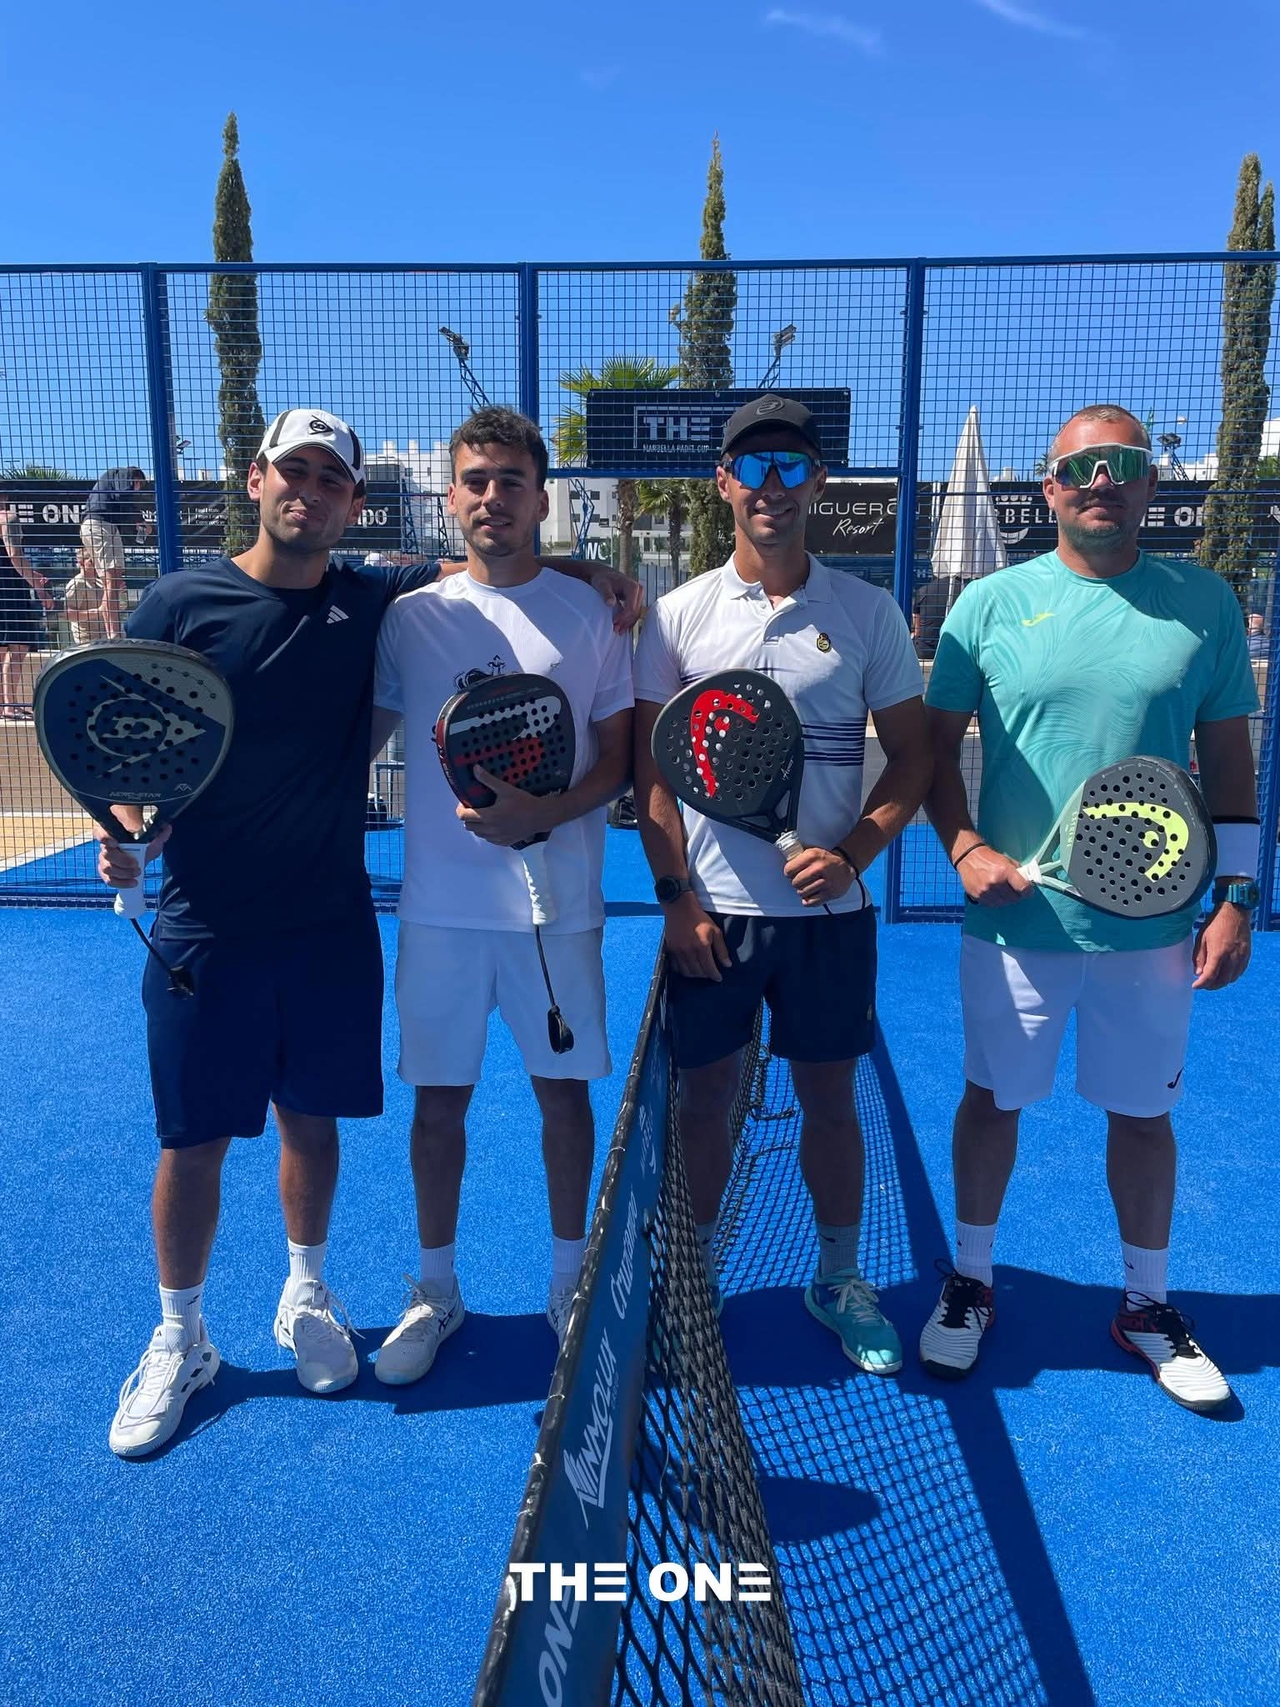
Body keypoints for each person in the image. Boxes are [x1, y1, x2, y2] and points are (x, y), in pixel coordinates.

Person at [97, 408, 641, 1457]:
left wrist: (590, 573)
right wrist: (135, 828)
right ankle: (217, 1329)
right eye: (291, 471)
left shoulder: (439, 603)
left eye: (512, 482)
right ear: (256, 479)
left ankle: (525, 1285)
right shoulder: (350, 609)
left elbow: (602, 732)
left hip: (400, 921)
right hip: (265, 919)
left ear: (353, 500)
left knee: (388, 1115)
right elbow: (137, 744)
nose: (491, 497)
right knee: (208, 1137)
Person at [920, 404, 1260, 1414]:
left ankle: (1145, 1305)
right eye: (1079, 468)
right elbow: (928, 755)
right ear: (1050, 489)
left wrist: (1237, 895)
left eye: (1121, 464)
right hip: (1014, 927)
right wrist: (964, 846)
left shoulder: (1203, 604)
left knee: (1144, 1116)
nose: (1100, 481)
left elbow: (1230, 763)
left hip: (1153, 928)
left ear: (1148, 483)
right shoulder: (988, 606)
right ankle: (970, 1281)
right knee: (991, 1101)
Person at [631, 395, 932, 1374]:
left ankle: (838, 1278)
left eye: (791, 466)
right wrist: (675, 898)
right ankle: (693, 1278)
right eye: (752, 467)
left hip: (828, 919)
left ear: (818, 481)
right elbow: (653, 775)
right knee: (704, 1100)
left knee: (831, 1099)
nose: (772, 486)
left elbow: (914, 759)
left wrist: (854, 852)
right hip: (714, 920)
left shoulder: (867, 613)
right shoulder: (679, 614)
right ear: (723, 482)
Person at [369, 407, 633, 1382]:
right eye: (475, 480)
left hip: (555, 915)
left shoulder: (593, 613)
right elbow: (356, 741)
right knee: (437, 1108)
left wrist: (548, 811)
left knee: (564, 1100)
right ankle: (436, 1290)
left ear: (540, 497)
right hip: (439, 914)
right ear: (451, 496)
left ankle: (568, 1284)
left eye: (511, 480)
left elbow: (618, 760)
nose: (492, 497)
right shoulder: (410, 617)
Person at [80, 465, 149, 638]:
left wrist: (137, 520)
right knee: (111, 580)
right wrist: (138, 518)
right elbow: (123, 495)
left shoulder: (111, 482)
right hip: (100, 525)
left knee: (113, 580)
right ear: (136, 479)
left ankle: (113, 631)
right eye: (140, 485)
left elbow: (120, 501)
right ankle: (113, 633)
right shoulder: (124, 475)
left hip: (103, 525)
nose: (138, 489)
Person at [0, 497, 51, 719]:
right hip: (9, 590)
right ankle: (10, 706)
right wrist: (39, 589)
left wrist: (31, 574)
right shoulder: (7, 518)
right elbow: (14, 555)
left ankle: (4, 705)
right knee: (18, 646)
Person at [62, 545, 112, 646]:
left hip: (104, 634)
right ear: (81, 563)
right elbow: (68, 614)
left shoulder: (99, 582)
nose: (96, 565)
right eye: (92, 562)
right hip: (89, 639)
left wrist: (117, 593)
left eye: (98, 561)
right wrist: (99, 611)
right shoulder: (78, 583)